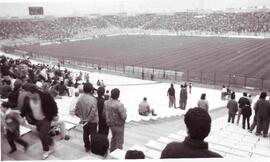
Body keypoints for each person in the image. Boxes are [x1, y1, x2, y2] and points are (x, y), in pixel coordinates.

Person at [20, 84, 58, 159]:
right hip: (36, 120)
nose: (28, 97)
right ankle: (51, 142)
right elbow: (25, 108)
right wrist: (21, 116)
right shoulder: (27, 98)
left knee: (42, 134)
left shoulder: (45, 96)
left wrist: (55, 114)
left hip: (46, 118)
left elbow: (54, 105)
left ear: (35, 93)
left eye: (30, 95)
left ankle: (46, 150)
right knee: (42, 134)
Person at [75, 82, 99, 152]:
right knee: (93, 135)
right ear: (91, 90)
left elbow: (76, 110)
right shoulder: (93, 99)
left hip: (84, 120)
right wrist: (88, 119)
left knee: (85, 133)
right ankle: (93, 148)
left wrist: (82, 117)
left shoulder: (80, 98)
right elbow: (93, 112)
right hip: (92, 120)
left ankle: (87, 146)